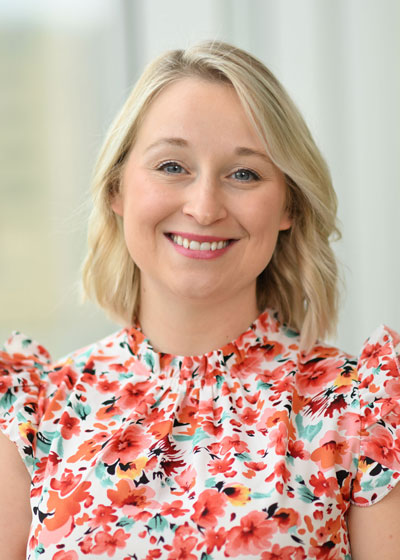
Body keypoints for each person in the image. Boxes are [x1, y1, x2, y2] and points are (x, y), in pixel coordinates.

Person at [1, 40, 399, 560]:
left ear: (289, 206)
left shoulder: (363, 410)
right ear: (117, 189)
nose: (205, 207)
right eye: (172, 166)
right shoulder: (35, 414)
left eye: (244, 174)